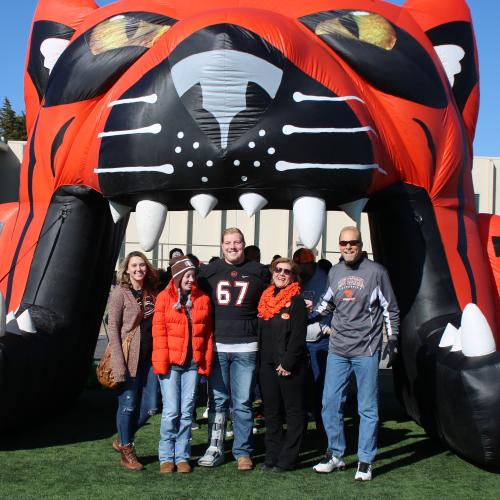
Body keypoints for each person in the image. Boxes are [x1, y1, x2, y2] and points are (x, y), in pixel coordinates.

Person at [311, 226, 399, 481]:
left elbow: (389, 309)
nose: (348, 246)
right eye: (344, 243)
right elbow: (327, 303)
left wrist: (392, 341)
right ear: (338, 245)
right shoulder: (335, 272)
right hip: (338, 348)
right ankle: (336, 454)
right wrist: (307, 315)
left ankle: (365, 460)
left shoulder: (376, 272)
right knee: (329, 404)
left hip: (366, 349)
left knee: (367, 408)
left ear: (361, 246)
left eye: (353, 243)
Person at [197, 228, 269, 470]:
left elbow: (275, 296)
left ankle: (243, 451)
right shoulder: (208, 273)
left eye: (236, 242)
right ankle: (215, 447)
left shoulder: (259, 272)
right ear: (221, 245)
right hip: (217, 346)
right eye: (228, 243)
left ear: (244, 244)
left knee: (243, 401)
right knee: (217, 400)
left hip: (247, 345)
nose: (232, 247)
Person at [152, 256, 213, 473]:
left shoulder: (202, 299)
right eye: (186, 276)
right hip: (170, 364)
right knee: (171, 412)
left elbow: (207, 335)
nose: (190, 279)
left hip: (192, 365)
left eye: (192, 275)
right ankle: (166, 457)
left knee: (187, 412)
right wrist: (161, 363)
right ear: (177, 277)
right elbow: (158, 334)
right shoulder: (163, 298)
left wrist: (204, 363)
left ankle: (182, 456)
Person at [107, 251, 159, 471]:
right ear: (127, 269)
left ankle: (122, 438)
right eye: (134, 266)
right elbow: (113, 328)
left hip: (151, 357)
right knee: (128, 405)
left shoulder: (152, 291)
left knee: (151, 406)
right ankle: (127, 450)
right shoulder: (121, 293)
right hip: (129, 357)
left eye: (142, 265)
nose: (139, 269)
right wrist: (118, 364)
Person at [257, 257, 307, 472]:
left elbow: (298, 336)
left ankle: (288, 458)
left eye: (287, 271)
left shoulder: (296, 301)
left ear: (293, 277)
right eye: (278, 270)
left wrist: (287, 362)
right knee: (272, 412)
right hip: (266, 365)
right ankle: (272, 456)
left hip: (288, 365)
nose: (281, 274)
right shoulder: (265, 297)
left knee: (293, 412)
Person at [292, 248, 332, 438]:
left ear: (311, 264)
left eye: (302, 265)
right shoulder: (299, 280)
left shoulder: (324, 280)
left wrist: (325, 326)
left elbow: (332, 306)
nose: (299, 269)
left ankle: (323, 430)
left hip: (319, 342)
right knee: (302, 387)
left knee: (319, 387)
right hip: (301, 340)